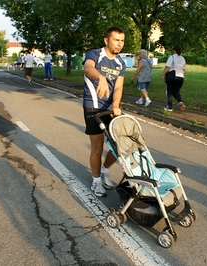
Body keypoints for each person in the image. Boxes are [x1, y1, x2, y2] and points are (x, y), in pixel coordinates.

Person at [83, 26, 126, 198]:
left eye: (122, 40)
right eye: (116, 40)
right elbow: (88, 68)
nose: (120, 44)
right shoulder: (95, 54)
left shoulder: (120, 63)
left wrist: (115, 104)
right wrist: (100, 77)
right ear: (106, 40)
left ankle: (104, 170)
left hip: (109, 109)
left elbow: (119, 87)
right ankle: (96, 182)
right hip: (93, 106)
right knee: (98, 147)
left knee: (119, 146)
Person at [162, 44, 186, 111]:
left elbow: (168, 67)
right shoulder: (182, 58)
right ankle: (180, 102)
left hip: (172, 76)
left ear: (174, 50)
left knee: (169, 91)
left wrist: (163, 74)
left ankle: (169, 106)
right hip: (181, 77)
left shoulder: (172, 57)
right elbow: (184, 69)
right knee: (176, 91)